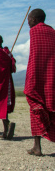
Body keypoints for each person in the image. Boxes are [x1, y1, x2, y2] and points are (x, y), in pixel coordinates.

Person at [24, 9, 55, 156]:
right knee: (52, 108)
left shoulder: (35, 31)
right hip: (51, 77)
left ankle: (37, 146)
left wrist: (30, 78)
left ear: (35, 19)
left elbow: (35, 58)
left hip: (37, 77)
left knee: (35, 109)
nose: (28, 22)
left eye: (29, 19)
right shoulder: (52, 32)